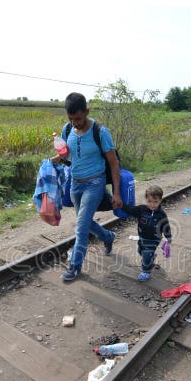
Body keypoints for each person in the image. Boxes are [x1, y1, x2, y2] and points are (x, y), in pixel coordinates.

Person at [50, 92, 122, 281]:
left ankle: (75, 266)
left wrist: (116, 193)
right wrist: (58, 159)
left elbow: (114, 164)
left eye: (78, 118)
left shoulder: (101, 132)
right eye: (71, 118)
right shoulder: (67, 130)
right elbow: (66, 155)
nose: (75, 123)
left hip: (94, 183)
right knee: (86, 222)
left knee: (81, 226)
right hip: (75, 183)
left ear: (87, 112)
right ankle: (107, 237)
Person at [120, 185, 172, 281]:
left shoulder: (161, 214)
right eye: (149, 201)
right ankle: (150, 256)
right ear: (146, 199)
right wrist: (121, 205)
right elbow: (130, 210)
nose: (152, 204)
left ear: (160, 200)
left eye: (155, 202)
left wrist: (168, 237)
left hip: (154, 238)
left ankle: (146, 271)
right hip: (142, 237)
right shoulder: (141, 209)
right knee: (140, 251)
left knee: (146, 254)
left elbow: (166, 226)